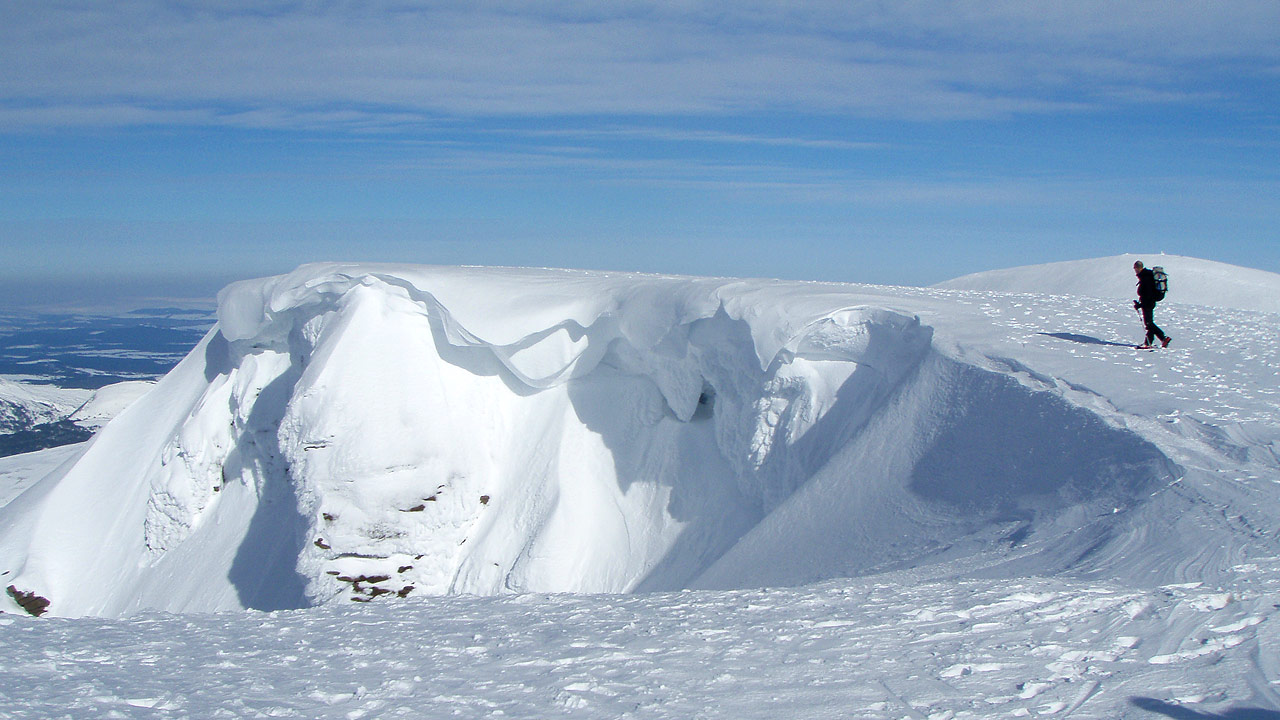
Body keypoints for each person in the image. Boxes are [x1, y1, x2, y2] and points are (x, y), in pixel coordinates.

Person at [1133, 261, 1171, 349]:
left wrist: (1141, 305)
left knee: (1149, 323)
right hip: (1148, 302)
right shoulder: (1146, 275)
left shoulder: (1146, 276)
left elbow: (1147, 293)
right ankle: (1150, 342)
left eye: (1135, 268)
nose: (1135, 271)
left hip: (1148, 303)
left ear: (1138, 268)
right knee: (1149, 323)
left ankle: (1163, 338)